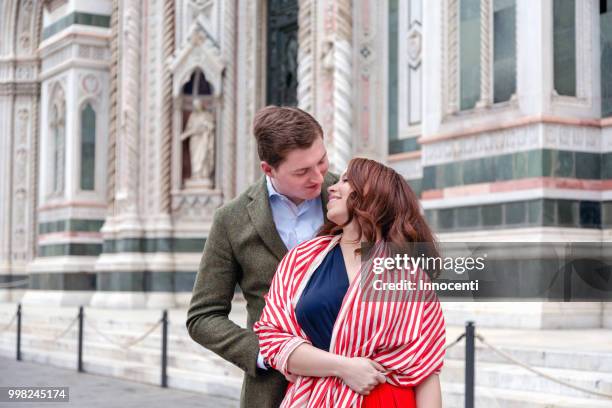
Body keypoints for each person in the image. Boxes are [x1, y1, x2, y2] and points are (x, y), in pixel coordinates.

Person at [254, 158, 446, 408]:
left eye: (346, 180)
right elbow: (273, 338)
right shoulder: (302, 260)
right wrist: (344, 367)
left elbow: (426, 370)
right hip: (314, 399)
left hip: (387, 399)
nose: (332, 186)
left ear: (375, 194)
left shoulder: (408, 275)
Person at [187, 106, 338, 408]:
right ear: (268, 169)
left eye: (321, 161)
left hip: (351, 380)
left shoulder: (350, 194)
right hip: (273, 391)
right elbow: (202, 317)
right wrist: (269, 353)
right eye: (302, 171)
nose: (318, 177)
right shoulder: (231, 219)